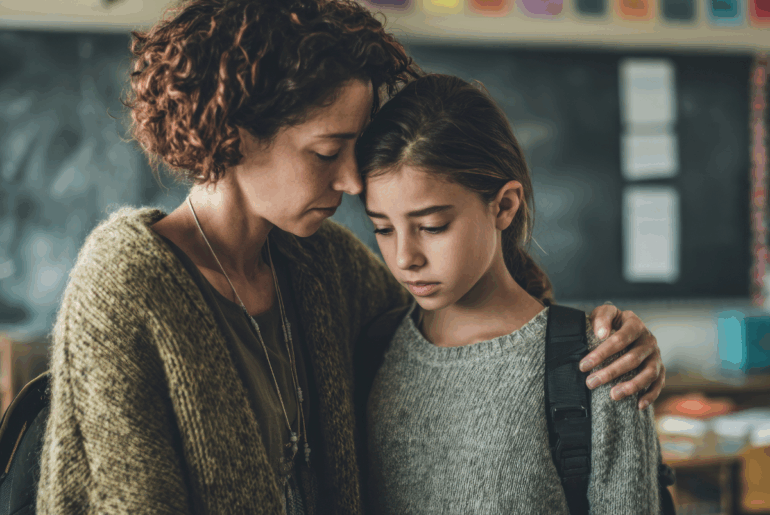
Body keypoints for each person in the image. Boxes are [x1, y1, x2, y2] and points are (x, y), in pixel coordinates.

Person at [36, 1, 665, 514]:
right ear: (236, 130)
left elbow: (462, 345)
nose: (354, 182)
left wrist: (614, 346)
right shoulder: (125, 284)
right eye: (327, 150)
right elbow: (122, 499)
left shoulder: (324, 264)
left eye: (355, 149)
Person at [356, 73, 662, 514]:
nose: (405, 257)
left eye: (432, 226)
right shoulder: (374, 347)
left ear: (503, 206)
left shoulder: (599, 362)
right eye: (382, 229)